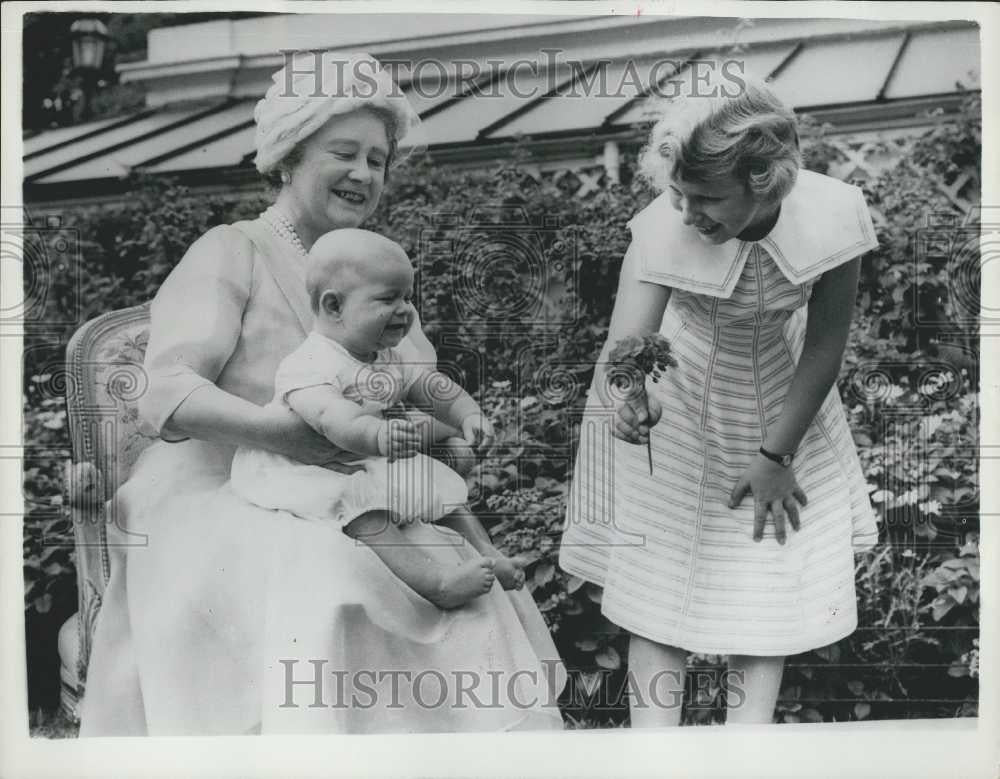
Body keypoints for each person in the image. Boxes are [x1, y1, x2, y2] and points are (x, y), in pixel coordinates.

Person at [80, 52, 563, 736]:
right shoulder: (231, 250)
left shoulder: (372, 269)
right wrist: (279, 433)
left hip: (344, 478)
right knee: (332, 567)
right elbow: (164, 392)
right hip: (221, 483)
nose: (364, 174)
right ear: (287, 154)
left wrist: (447, 437)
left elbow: (411, 386)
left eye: (378, 159)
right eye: (344, 152)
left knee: (445, 558)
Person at [559, 75, 879, 726]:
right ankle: (656, 750)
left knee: (768, 565)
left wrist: (776, 454)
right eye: (679, 194)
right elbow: (626, 348)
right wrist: (630, 399)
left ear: (763, 178)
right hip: (680, 400)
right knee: (663, 568)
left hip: (785, 398)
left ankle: (745, 747)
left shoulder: (833, 215)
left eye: (705, 199)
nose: (687, 212)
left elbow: (823, 348)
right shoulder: (663, 227)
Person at [230, 228, 528, 607]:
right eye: (389, 299)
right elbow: (331, 418)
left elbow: (429, 386)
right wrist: (375, 434)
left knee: (441, 489)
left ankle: (487, 553)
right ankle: (435, 582)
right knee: (365, 511)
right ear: (334, 306)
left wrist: (467, 412)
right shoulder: (309, 364)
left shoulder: (387, 354)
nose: (405, 310)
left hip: (366, 453)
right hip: (310, 465)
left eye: (407, 297)